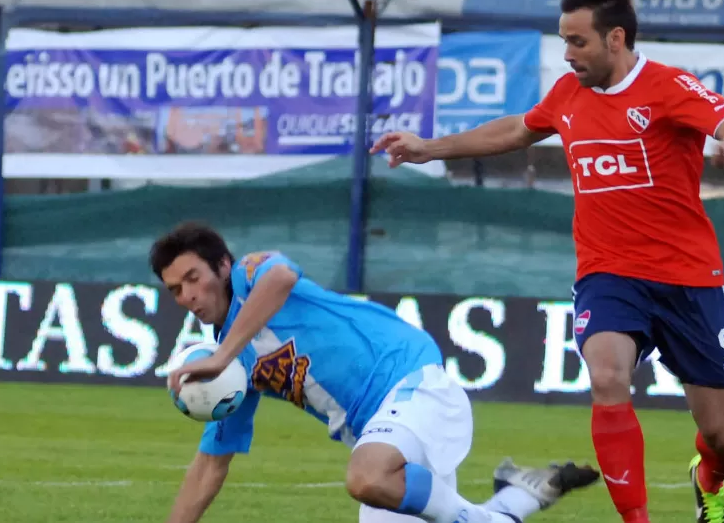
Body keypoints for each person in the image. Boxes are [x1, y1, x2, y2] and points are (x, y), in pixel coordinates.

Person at [370, 0, 724, 523]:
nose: (567, 54)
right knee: (606, 377)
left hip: (688, 276)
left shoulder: (669, 87)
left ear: (616, 39)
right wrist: (429, 147)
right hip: (609, 274)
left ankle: (708, 479)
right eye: (564, 40)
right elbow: (516, 129)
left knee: (723, 435)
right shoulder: (567, 94)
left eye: (578, 42)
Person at [152, 222, 600, 523]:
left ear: (223, 266)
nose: (188, 294)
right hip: (381, 433)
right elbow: (210, 467)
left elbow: (282, 277)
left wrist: (219, 354)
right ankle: (518, 498)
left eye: (193, 277)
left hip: (410, 381)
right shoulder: (232, 372)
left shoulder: (252, 271)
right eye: (176, 289)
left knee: (365, 478)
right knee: (380, 481)